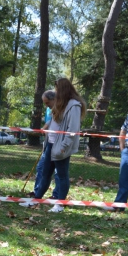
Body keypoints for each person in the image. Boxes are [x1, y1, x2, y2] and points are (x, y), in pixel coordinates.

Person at [25, 78, 86, 213]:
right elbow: (53, 122)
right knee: (45, 174)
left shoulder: (74, 105)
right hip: (50, 144)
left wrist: (65, 146)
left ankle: (59, 205)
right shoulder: (60, 104)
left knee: (62, 176)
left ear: (63, 90)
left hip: (61, 147)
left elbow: (73, 129)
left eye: (58, 90)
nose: (56, 92)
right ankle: (36, 201)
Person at [22, 90, 61, 204]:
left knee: (59, 172)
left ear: (54, 99)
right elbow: (49, 122)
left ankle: (57, 196)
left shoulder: (61, 108)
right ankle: (37, 193)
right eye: (44, 102)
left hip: (58, 144)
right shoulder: (49, 108)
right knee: (42, 168)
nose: (46, 105)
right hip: (48, 142)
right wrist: (44, 130)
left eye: (47, 102)